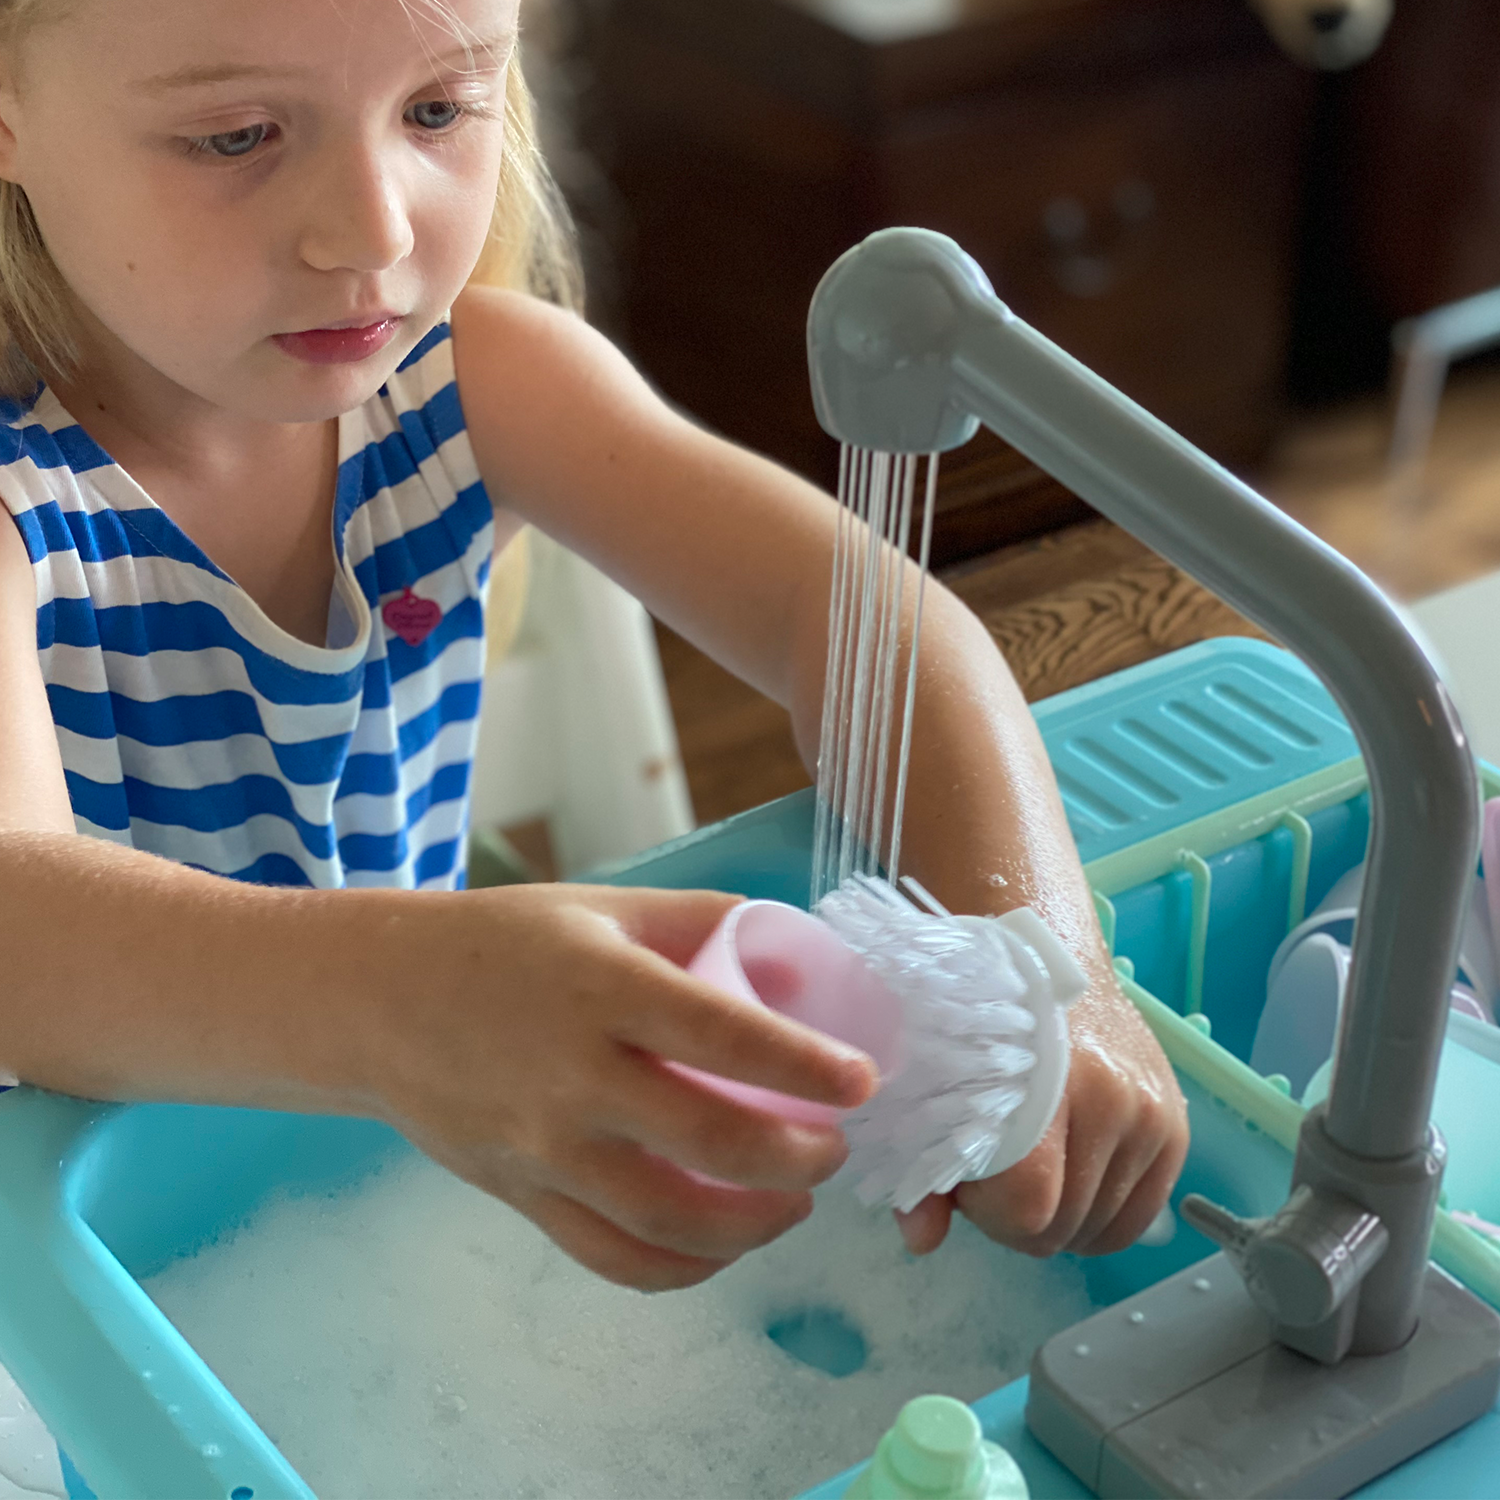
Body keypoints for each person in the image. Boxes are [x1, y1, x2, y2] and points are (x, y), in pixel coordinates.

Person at [0, 0, 1186, 1295]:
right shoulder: (24, 506)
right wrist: (418, 1006)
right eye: (236, 136)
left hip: (379, 1183)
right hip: (63, 1267)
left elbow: (864, 618)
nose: (375, 231)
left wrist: (1046, 967)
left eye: (440, 109)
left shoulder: (472, 386)